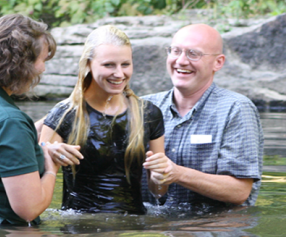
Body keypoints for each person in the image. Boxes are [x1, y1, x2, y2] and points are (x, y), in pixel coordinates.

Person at [39, 25, 169, 214]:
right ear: (88, 64)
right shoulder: (65, 114)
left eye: (125, 64)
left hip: (132, 226)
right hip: (81, 226)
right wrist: (47, 151)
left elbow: (157, 191)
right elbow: (34, 184)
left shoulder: (148, 114)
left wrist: (160, 177)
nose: (119, 73)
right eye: (109, 65)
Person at [142, 23, 264, 208]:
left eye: (193, 54)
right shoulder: (143, 107)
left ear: (218, 62)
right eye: (175, 51)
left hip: (213, 227)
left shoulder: (235, 109)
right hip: (152, 227)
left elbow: (240, 191)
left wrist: (178, 174)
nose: (181, 61)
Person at [0, 14, 60, 225]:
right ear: (20, 63)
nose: (43, 68)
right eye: (41, 60)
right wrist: (51, 167)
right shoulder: (12, 121)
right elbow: (29, 209)